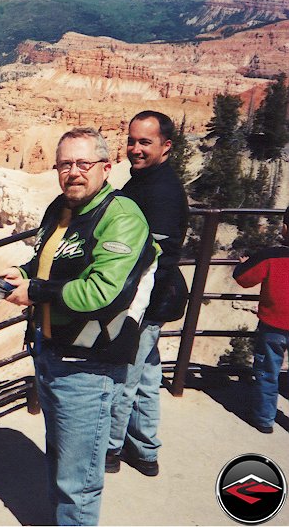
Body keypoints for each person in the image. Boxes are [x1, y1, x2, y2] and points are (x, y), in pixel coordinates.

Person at [0, 127, 159, 526]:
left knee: (78, 480)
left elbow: (103, 291)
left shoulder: (121, 216)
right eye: (65, 164)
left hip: (89, 364)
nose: (74, 172)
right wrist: (19, 273)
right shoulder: (60, 208)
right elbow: (46, 261)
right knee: (61, 456)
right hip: (51, 353)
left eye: (84, 163)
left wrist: (34, 292)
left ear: (106, 167)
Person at [106, 111, 190, 477]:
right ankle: (144, 450)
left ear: (166, 146)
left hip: (145, 301)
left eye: (145, 142)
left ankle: (108, 450)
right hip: (153, 299)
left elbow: (154, 256)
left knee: (124, 375)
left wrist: (133, 307)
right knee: (147, 376)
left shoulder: (162, 192)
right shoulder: (145, 180)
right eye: (132, 140)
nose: (135, 149)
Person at [233, 207, 289, 434]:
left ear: (285, 228)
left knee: (267, 372)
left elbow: (243, 278)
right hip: (273, 324)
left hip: (273, 325)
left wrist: (244, 263)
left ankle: (265, 419)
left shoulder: (272, 256)